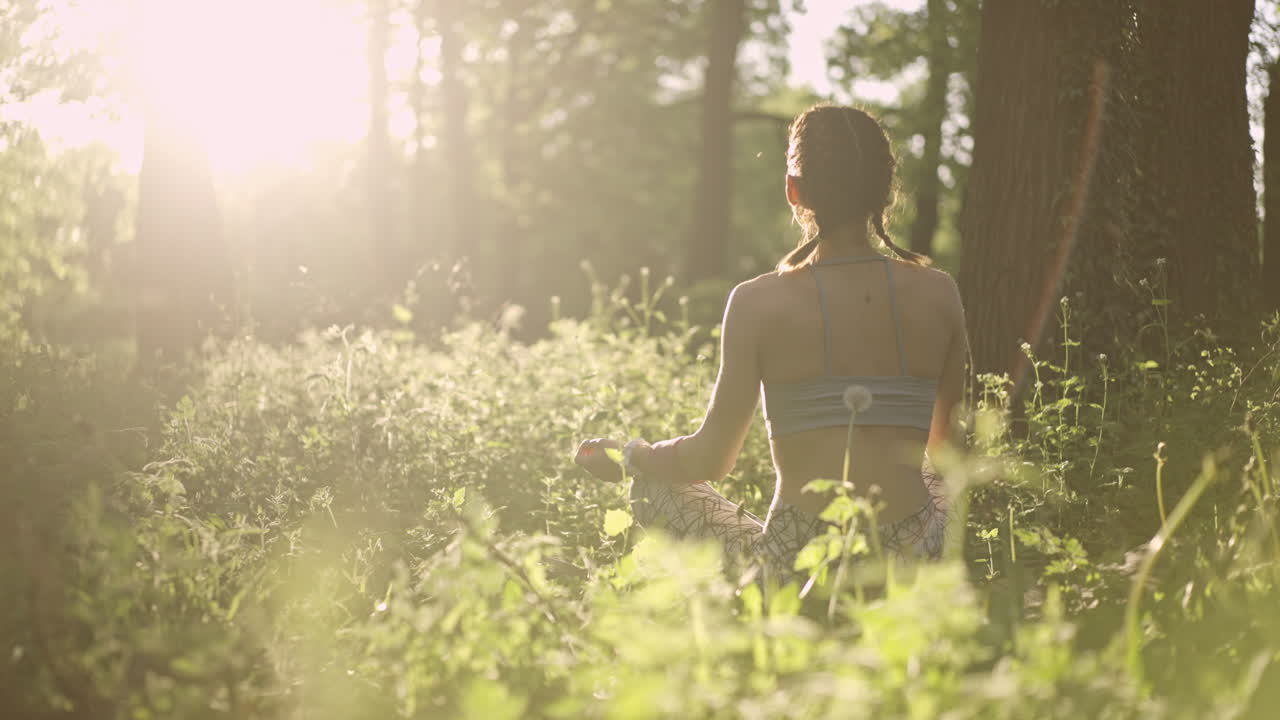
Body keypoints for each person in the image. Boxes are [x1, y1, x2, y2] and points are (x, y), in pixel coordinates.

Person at [575, 104, 969, 578]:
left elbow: (710, 459)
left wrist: (633, 455)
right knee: (940, 481)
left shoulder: (757, 301)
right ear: (884, 191)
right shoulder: (939, 292)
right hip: (911, 558)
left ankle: (757, 598)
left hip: (795, 562)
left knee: (653, 486)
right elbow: (949, 456)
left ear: (793, 190)